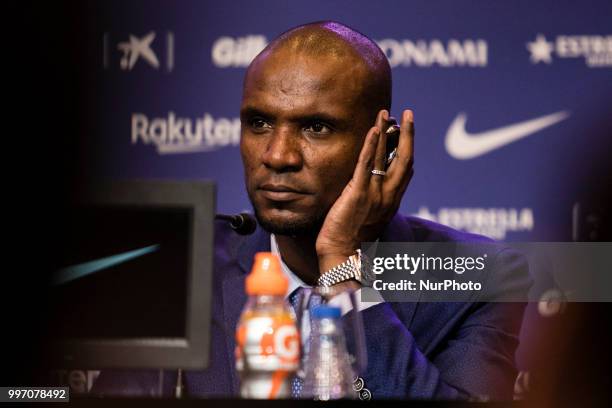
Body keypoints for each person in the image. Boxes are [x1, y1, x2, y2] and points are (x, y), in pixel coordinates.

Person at [92, 21, 530, 400]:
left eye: (316, 127)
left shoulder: (478, 278)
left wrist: (341, 265)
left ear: (385, 147)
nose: (278, 155)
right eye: (259, 123)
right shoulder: (177, 265)